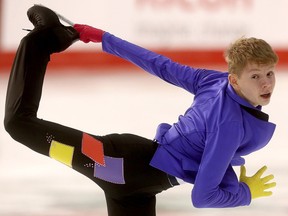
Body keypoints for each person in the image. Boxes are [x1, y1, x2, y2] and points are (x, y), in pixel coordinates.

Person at [4, 5, 278, 216]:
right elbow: (203, 196)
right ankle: (40, 40)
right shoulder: (228, 122)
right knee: (19, 123)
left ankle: (48, 36)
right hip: (118, 164)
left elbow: (159, 64)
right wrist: (246, 193)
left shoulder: (214, 82)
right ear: (234, 79)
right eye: (255, 76)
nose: (266, 83)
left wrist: (103, 37)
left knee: (21, 124)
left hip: (137, 184)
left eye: (269, 73)